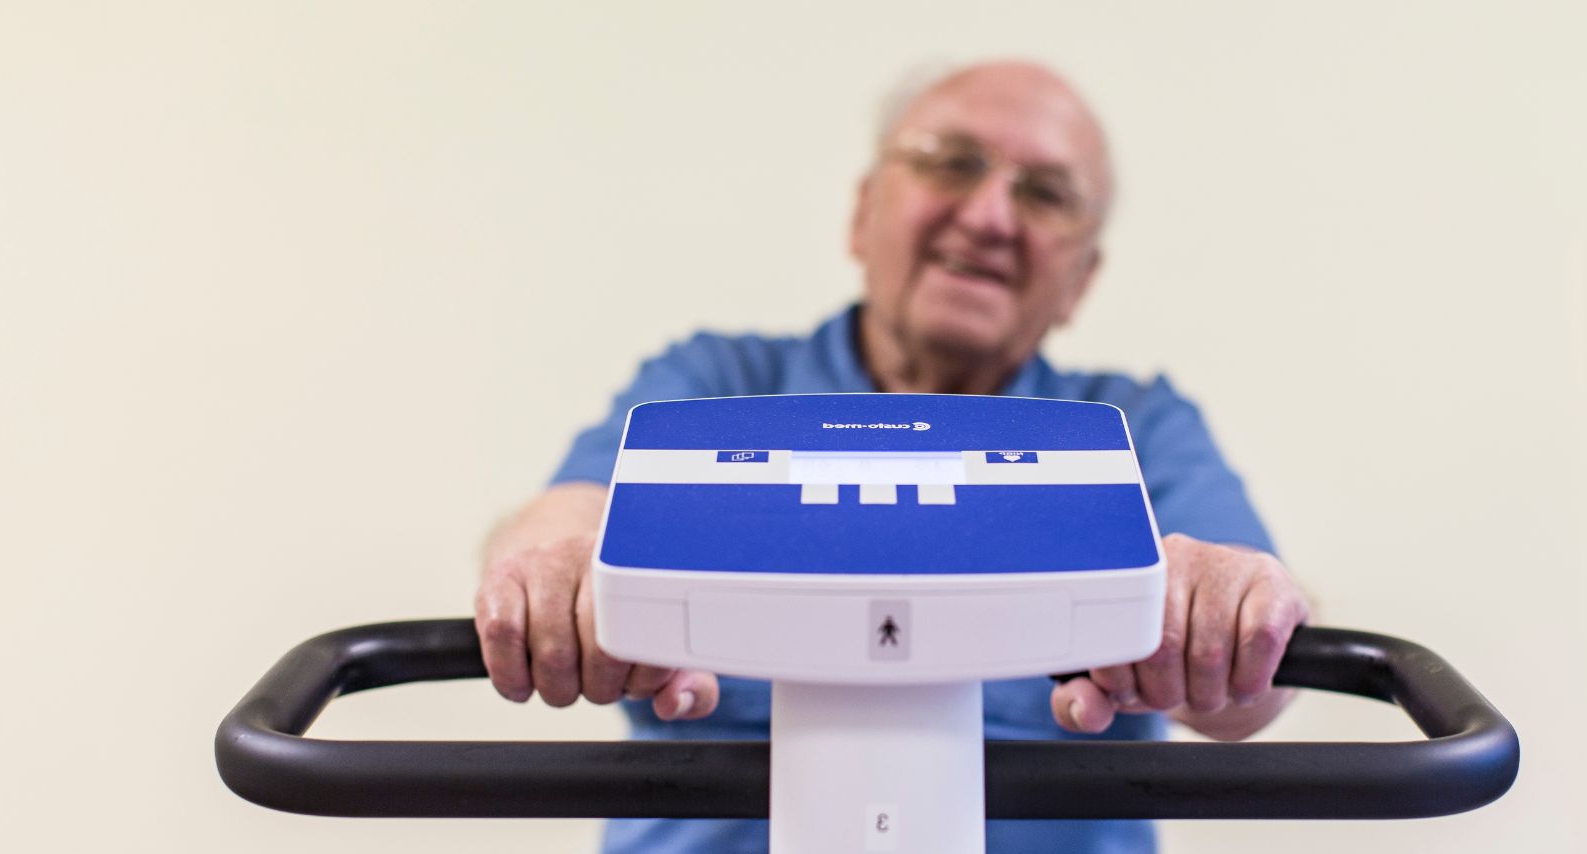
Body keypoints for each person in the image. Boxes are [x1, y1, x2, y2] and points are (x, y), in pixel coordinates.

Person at [476, 60, 1311, 853]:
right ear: (862, 213)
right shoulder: (717, 384)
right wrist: (555, 573)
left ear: (1082, 280)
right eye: (952, 163)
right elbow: (562, 525)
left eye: (1047, 194)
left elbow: (1263, 652)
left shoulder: (1132, 427)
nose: (990, 217)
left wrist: (1233, 615)